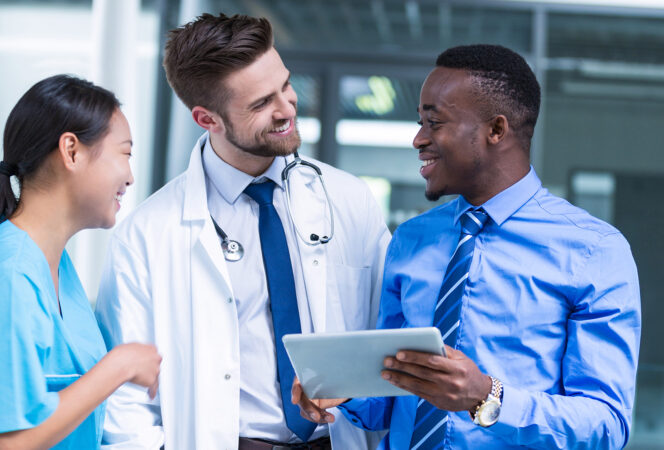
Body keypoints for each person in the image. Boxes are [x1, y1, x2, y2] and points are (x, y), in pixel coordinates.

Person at [294, 44, 641, 449]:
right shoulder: (411, 239)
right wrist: (343, 390)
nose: (418, 139)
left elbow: (607, 426)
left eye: (434, 122)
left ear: (496, 130)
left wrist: (485, 397)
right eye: (419, 121)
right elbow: (389, 398)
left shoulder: (594, 250)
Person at [94, 12, 390, 450]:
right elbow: (125, 404)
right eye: (260, 104)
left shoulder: (349, 200)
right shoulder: (146, 235)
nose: (287, 108)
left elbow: (386, 335)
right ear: (207, 119)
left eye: (285, 86)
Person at [0, 75, 161, 450]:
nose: (131, 176)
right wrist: (119, 367)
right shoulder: (11, 272)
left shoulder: (58, 267)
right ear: (71, 151)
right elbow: (9, 442)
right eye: (125, 153)